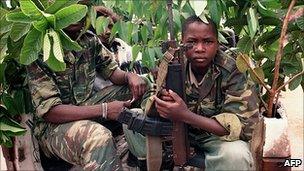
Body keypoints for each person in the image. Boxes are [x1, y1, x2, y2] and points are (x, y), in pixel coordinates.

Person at [125, 15, 260, 170]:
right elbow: (150, 96)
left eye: (208, 41)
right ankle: (150, 165)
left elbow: (243, 126)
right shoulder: (172, 62)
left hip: (215, 137)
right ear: (183, 42)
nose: (200, 48)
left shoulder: (234, 70)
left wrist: (184, 115)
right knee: (132, 119)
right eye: (192, 42)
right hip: (175, 129)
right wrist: (161, 101)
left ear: (217, 43)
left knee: (236, 155)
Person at [26, 15, 148, 170]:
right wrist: (105, 109)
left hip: (85, 106)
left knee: (145, 85)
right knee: (98, 137)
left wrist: (130, 76)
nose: (78, 14)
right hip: (52, 127)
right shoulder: (40, 50)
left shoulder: (88, 40)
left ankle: (145, 157)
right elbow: (50, 112)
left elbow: (113, 73)